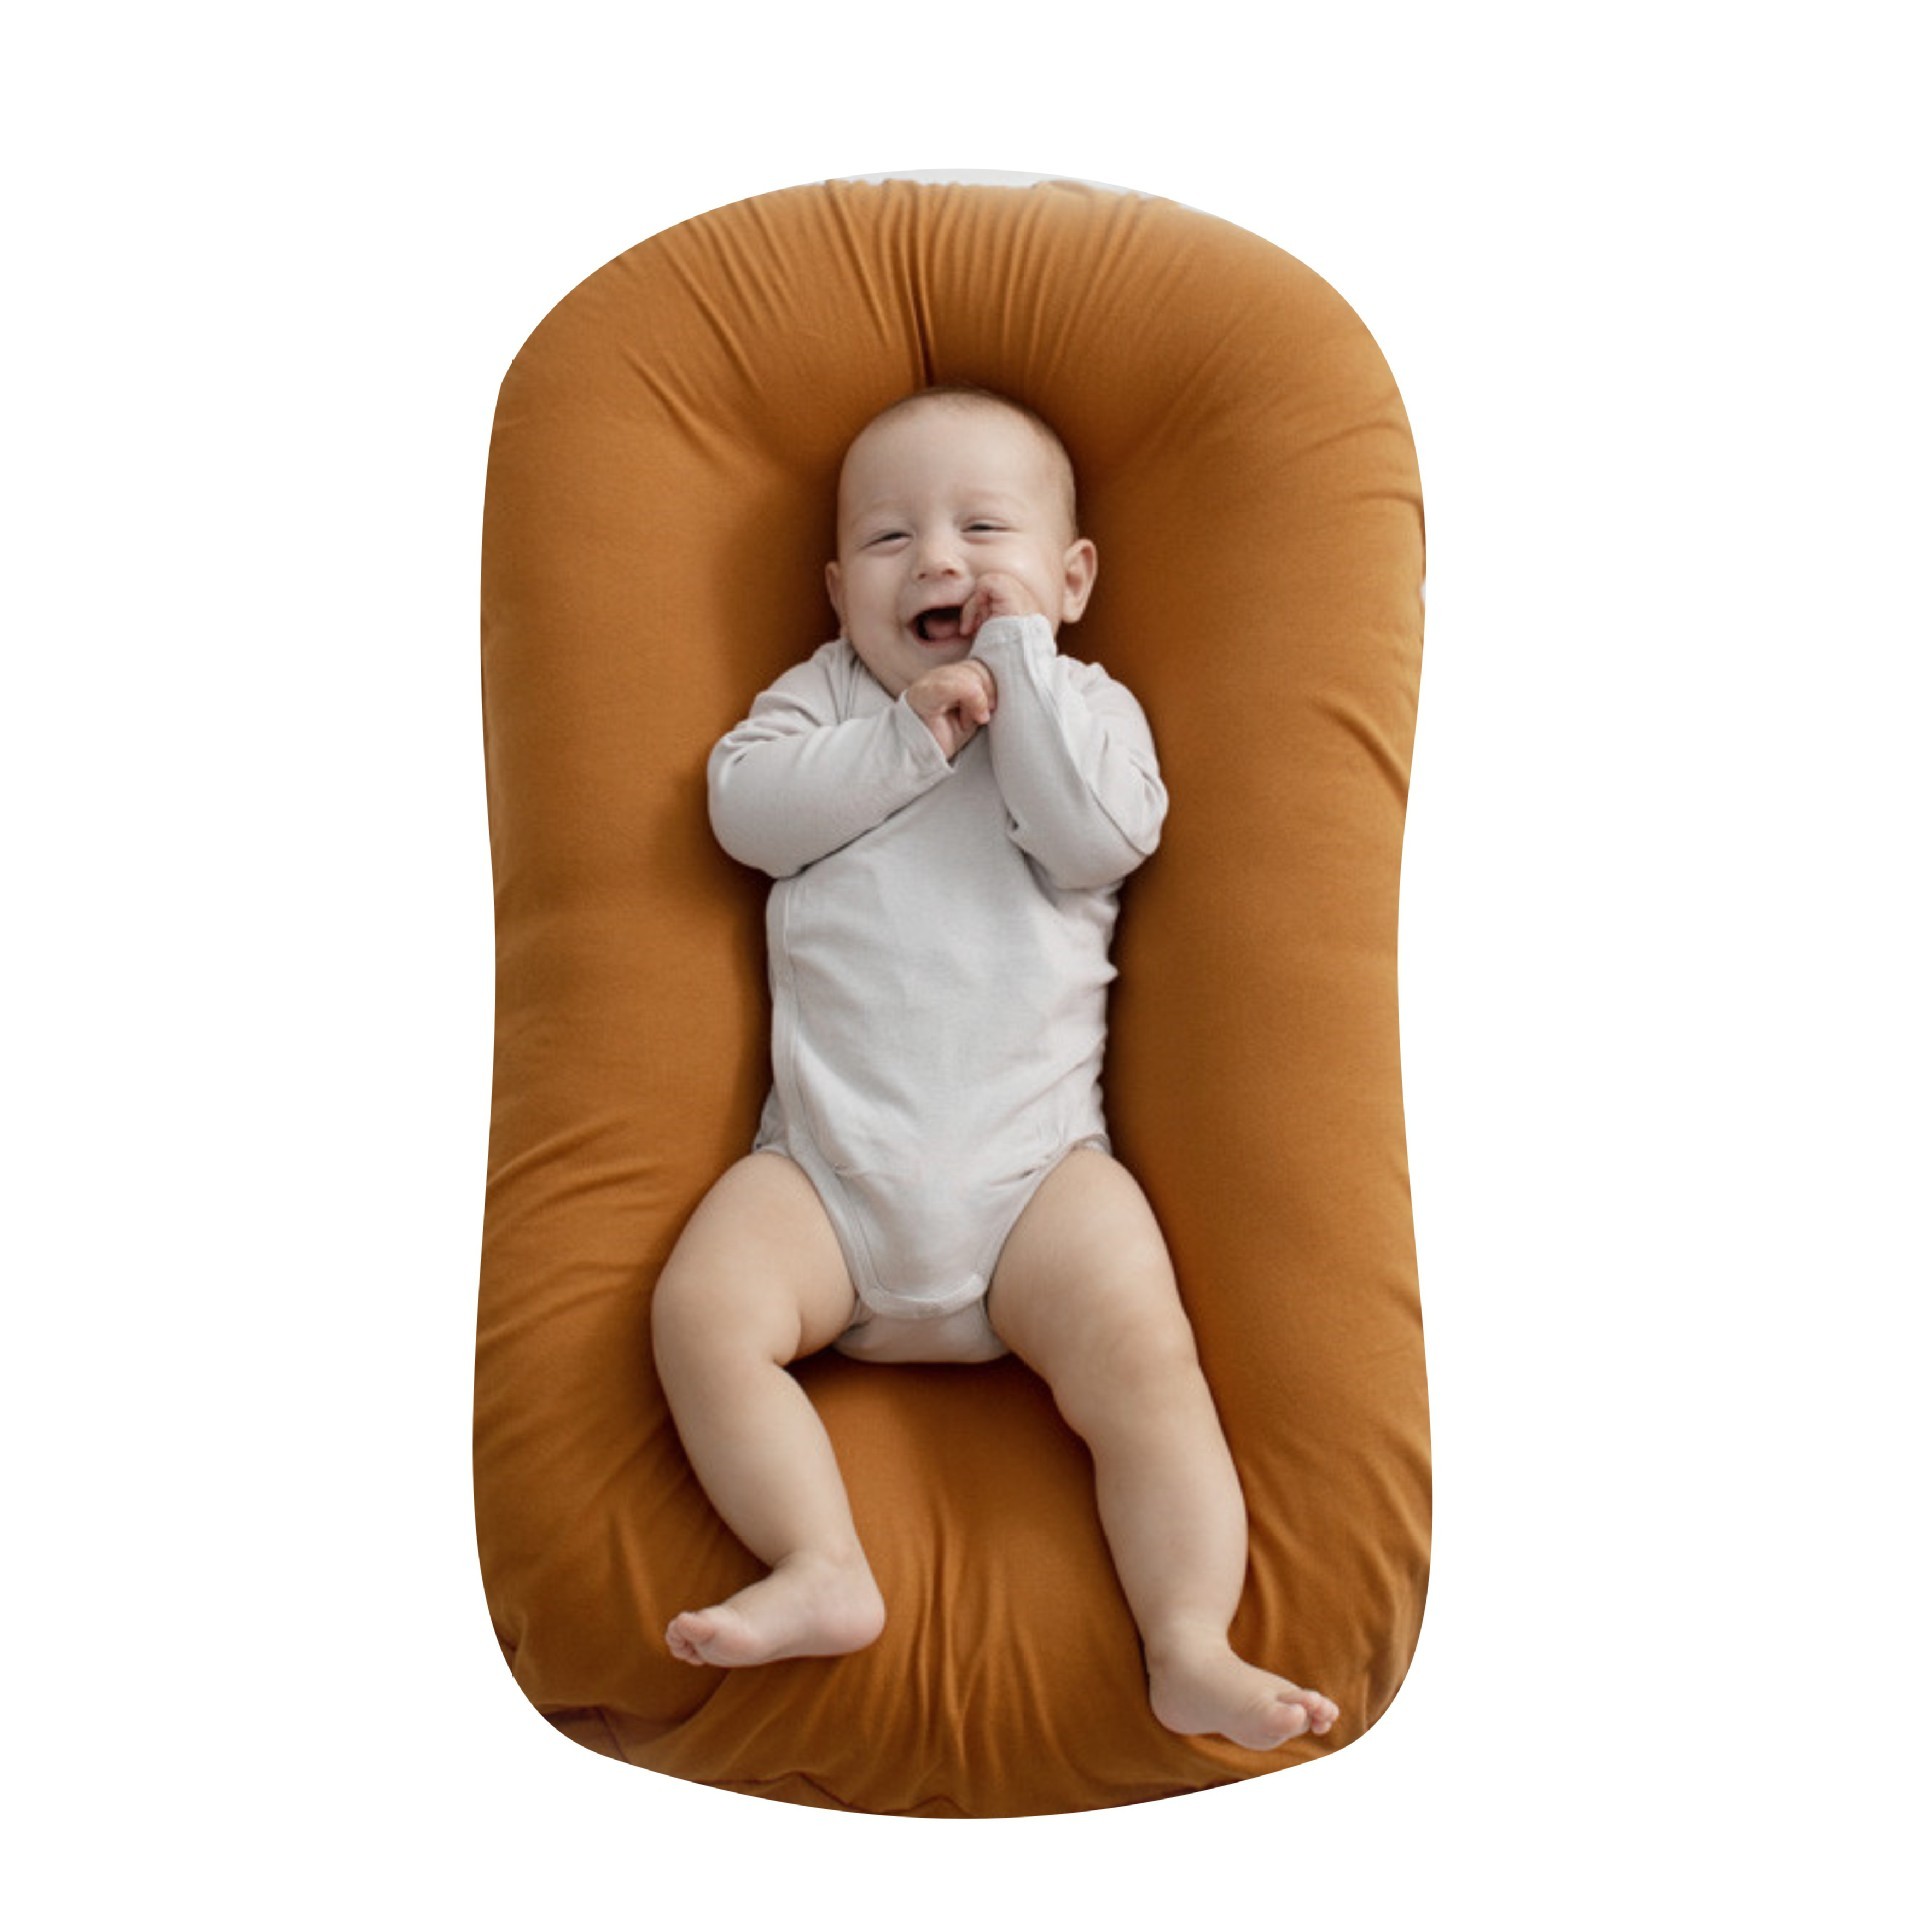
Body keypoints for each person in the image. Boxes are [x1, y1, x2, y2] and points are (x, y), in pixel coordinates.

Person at [649, 385, 1338, 1751]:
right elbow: (747, 815)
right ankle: (820, 1561)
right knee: (699, 1313)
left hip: (1038, 1184)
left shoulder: (1088, 707)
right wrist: (906, 735)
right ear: (839, 590)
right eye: (889, 538)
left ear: (1072, 581)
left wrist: (1019, 675)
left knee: (1148, 1364)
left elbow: (1096, 843)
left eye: (982, 531)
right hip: (827, 1177)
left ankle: (1188, 1639)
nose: (938, 562)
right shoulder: (825, 698)